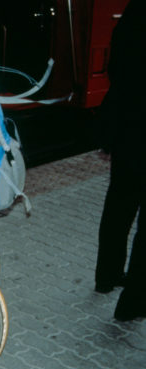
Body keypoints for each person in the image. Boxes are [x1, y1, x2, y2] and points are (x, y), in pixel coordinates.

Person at [94, 0, 146, 322]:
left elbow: (117, 72)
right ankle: (134, 302)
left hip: (128, 128)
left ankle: (107, 276)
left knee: (119, 204)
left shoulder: (134, 12)